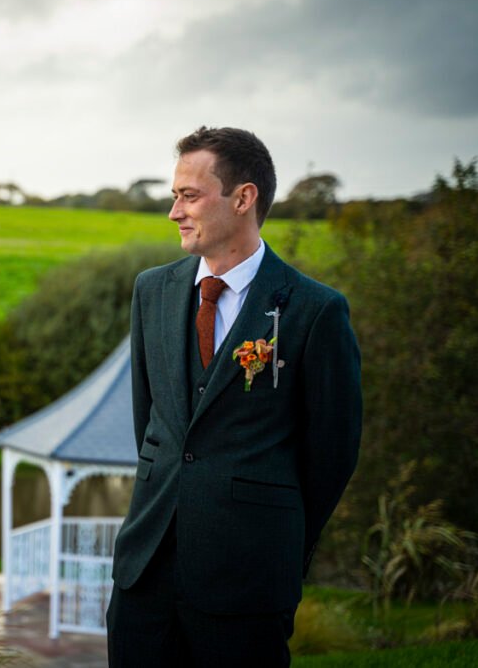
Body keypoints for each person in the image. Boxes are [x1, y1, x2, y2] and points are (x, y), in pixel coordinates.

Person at [107, 127, 361, 667]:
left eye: (189, 196)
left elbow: (332, 456)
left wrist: (277, 543)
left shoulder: (314, 310)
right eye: (174, 196)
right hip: (144, 574)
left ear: (243, 198)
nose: (174, 211)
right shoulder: (151, 290)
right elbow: (150, 424)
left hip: (248, 580)